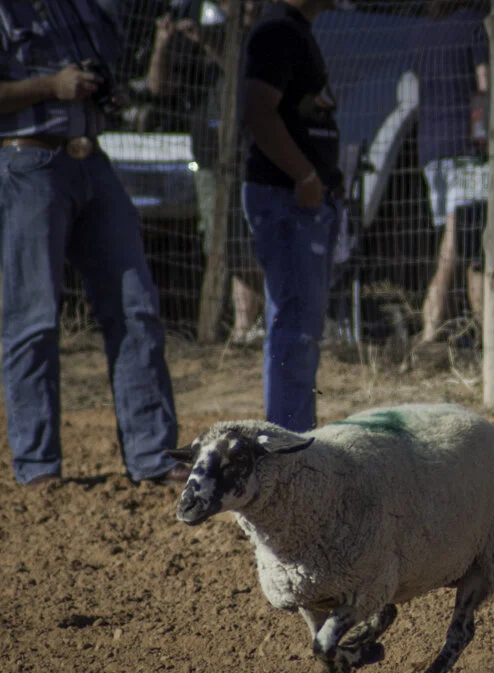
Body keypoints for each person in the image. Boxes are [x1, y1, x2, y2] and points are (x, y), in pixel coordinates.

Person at [0, 0, 185, 487]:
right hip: (26, 164)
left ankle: (153, 455)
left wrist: (108, 92)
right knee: (33, 318)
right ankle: (38, 467)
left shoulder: (78, 5)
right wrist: (51, 87)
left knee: (136, 306)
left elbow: (113, 70)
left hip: (92, 162)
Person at [240, 0, 343, 432]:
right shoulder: (278, 31)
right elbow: (258, 111)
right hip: (288, 199)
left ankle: (293, 435)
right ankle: (289, 442)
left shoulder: (296, 31)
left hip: (300, 199)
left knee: (301, 325)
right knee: (295, 324)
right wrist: (305, 175)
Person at [145, 0, 266, 345]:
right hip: (210, 157)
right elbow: (158, 88)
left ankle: (249, 324)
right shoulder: (196, 31)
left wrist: (210, 44)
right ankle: (239, 326)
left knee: (248, 241)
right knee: (219, 239)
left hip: (251, 153)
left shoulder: (261, 35)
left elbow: (242, 75)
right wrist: (163, 42)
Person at [405, 0, 490, 347]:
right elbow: (484, 86)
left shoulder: (421, 32)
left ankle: (469, 334)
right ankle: (435, 330)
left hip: (430, 147)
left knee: (462, 242)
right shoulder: (475, 25)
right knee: (464, 244)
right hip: (465, 147)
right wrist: (484, 139)